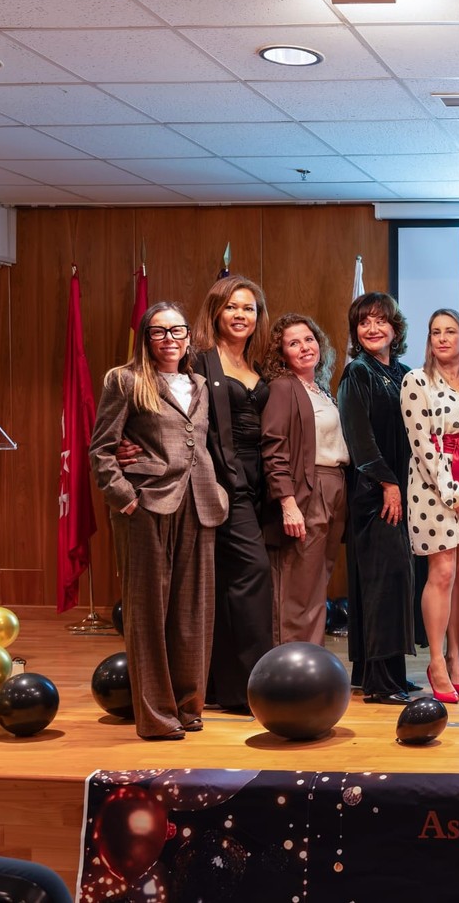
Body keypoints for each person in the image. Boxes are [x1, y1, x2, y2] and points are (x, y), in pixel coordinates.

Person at [90, 302, 228, 739]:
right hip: (147, 504)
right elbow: (102, 449)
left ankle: (189, 707)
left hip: (200, 502)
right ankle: (156, 717)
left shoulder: (201, 384)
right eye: (159, 332)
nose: (170, 340)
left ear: (189, 338)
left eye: (177, 331)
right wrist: (123, 497)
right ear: (146, 339)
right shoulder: (126, 380)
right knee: (148, 613)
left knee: (193, 614)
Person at [189, 275, 275, 713]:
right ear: (216, 312)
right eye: (233, 307)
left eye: (249, 309)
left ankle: (221, 688)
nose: (241, 315)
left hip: (258, 482)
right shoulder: (197, 361)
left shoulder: (259, 363)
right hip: (221, 483)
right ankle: (252, 687)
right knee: (254, 573)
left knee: (226, 584)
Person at [338, 291, 417, 706]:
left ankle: (383, 673)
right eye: (364, 322)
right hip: (375, 496)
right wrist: (387, 483)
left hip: (401, 495)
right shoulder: (358, 373)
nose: (372, 328)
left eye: (380, 321)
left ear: (395, 328)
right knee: (382, 584)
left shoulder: (402, 373)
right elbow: (359, 437)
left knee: (393, 582)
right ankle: (382, 684)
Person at [402, 309, 459, 704]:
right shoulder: (416, 381)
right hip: (433, 486)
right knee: (443, 570)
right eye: (436, 332)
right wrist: (453, 491)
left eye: (451, 332)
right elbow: (423, 445)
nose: (443, 338)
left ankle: (456, 659)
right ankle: (435, 662)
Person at [261, 314, 348, 646]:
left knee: (318, 582)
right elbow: (273, 447)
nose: (304, 347)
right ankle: (291, 670)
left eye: (309, 339)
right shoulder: (284, 388)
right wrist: (288, 503)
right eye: (293, 343)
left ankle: (312, 661)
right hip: (306, 491)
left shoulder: (321, 389)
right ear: (282, 354)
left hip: (334, 487)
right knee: (298, 586)